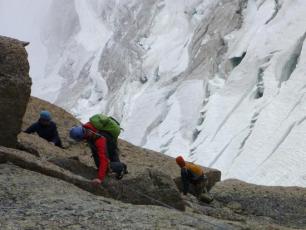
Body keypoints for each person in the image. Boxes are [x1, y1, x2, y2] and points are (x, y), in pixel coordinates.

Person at [69, 120, 127, 186]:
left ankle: (122, 167)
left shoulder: (98, 139)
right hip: (108, 141)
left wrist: (99, 178)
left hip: (109, 143)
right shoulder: (86, 128)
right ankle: (117, 166)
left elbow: (103, 160)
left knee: (106, 166)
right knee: (103, 162)